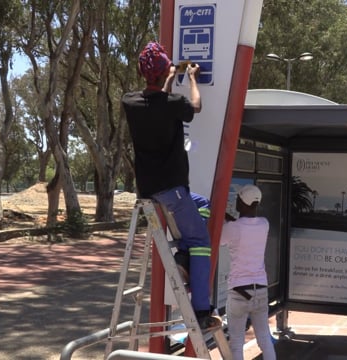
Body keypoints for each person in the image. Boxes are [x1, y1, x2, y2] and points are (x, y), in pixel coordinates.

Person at [121, 41, 220, 330]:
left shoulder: (130, 101)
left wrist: (166, 79)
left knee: (202, 203)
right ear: (165, 69)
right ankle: (202, 311)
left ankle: (183, 257)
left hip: (149, 189)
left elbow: (155, 103)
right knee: (202, 242)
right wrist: (190, 79)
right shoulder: (174, 105)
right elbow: (196, 106)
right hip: (173, 191)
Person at [220, 184, 276, 360]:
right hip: (260, 290)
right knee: (265, 339)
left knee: (236, 343)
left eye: (237, 198)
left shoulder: (233, 228)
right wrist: (229, 218)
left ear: (242, 202)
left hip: (238, 292)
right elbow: (242, 225)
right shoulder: (264, 224)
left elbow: (222, 238)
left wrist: (221, 215)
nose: (235, 201)